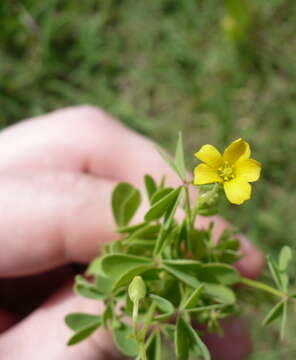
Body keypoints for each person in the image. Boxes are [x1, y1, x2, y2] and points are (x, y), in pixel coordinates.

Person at [0, 106, 264, 360]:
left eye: (228, 171)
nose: (226, 171)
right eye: (224, 170)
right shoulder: (210, 171)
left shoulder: (227, 180)